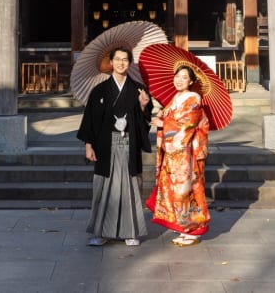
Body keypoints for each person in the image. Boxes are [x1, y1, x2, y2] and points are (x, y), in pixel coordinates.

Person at [77, 46, 153, 247]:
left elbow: (145, 121)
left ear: (130, 63)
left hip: (129, 144)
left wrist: (144, 106)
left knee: (131, 188)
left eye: (125, 59)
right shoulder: (99, 90)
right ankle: (102, 231)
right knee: (104, 188)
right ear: (110, 63)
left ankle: (131, 231)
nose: (121, 63)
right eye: (117, 59)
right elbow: (90, 120)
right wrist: (88, 145)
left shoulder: (138, 89)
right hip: (105, 146)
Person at [147, 63, 211, 246]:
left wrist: (163, 123)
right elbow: (171, 117)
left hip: (186, 154)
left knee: (187, 191)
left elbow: (187, 125)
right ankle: (185, 228)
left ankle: (194, 230)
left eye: (184, 77)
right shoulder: (176, 97)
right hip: (174, 153)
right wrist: (162, 114)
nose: (179, 80)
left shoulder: (194, 98)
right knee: (176, 191)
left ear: (191, 81)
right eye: (177, 76)